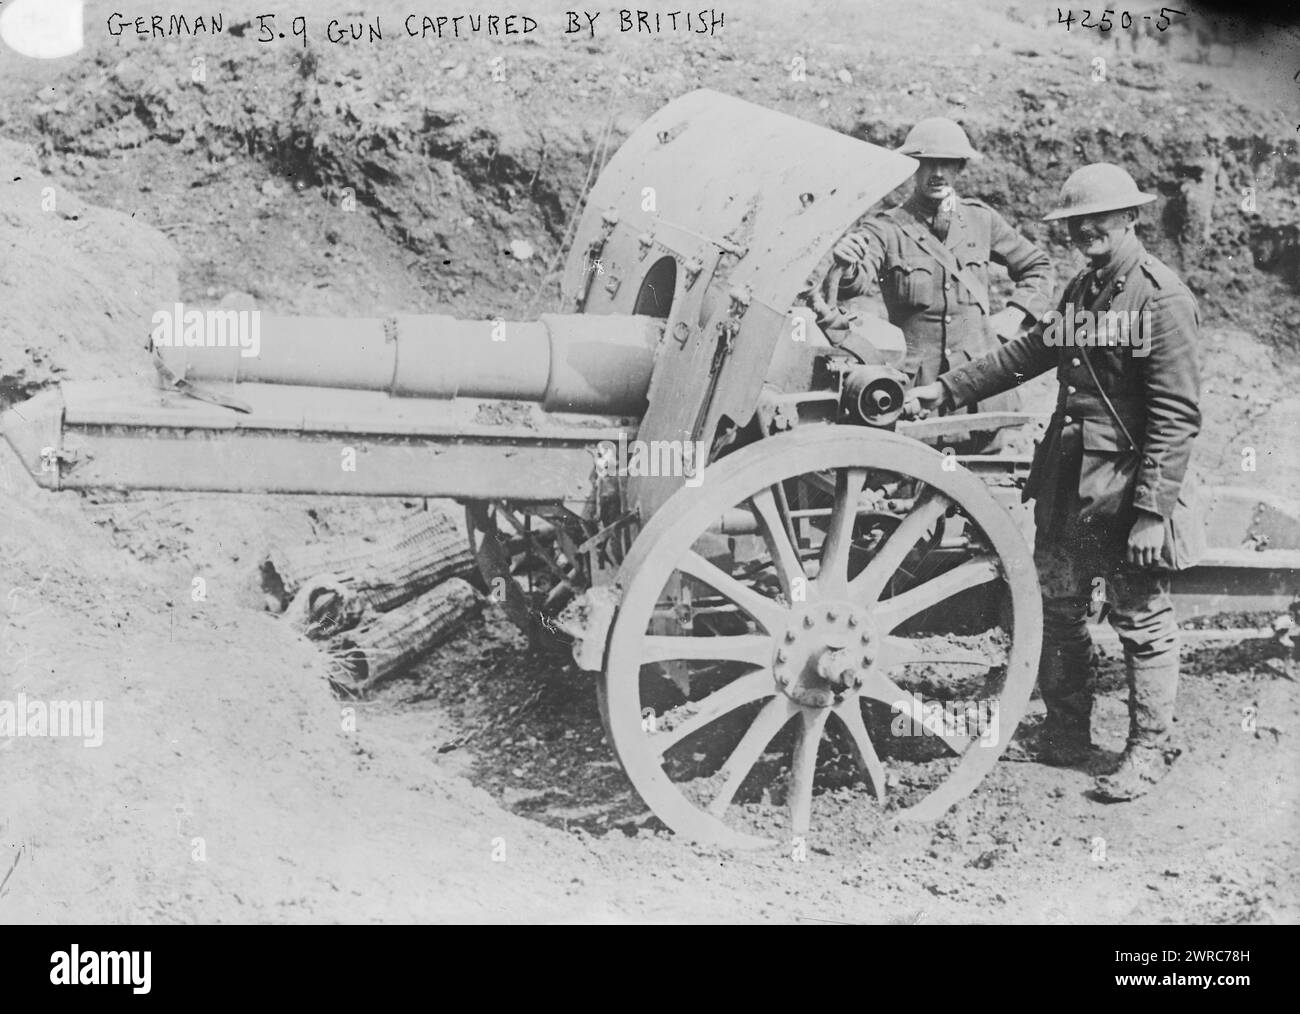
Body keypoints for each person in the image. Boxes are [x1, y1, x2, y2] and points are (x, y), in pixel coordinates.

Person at [905, 162, 1203, 802]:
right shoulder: (1084, 290)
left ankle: (1149, 750)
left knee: (1140, 616)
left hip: (1125, 488)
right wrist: (946, 390)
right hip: (1068, 480)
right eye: (1073, 223)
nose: (1085, 231)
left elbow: (1176, 418)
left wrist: (1153, 512)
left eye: (1098, 219)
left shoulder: (1161, 298)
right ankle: (1067, 735)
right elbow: (1029, 353)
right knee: (1057, 607)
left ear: (1131, 218)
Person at [831, 117, 1054, 420]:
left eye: (946, 164)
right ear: (912, 166)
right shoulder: (885, 229)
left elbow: (1038, 265)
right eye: (927, 164)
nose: (937, 173)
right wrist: (846, 264)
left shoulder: (981, 220)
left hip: (981, 391)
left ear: (960, 167)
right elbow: (855, 281)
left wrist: (1016, 313)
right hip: (916, 396)